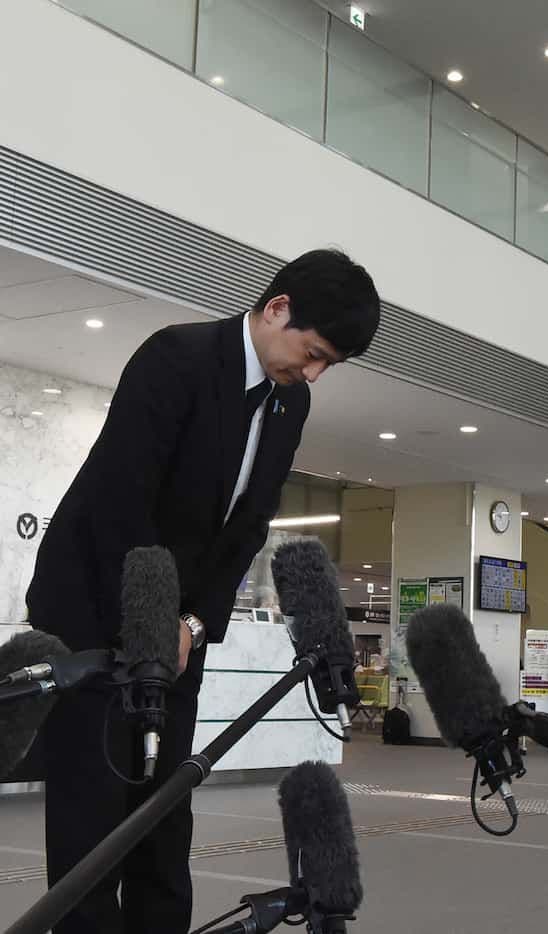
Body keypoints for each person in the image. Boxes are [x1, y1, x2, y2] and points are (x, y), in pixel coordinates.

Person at [27, 249, 380, 933]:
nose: (310, 374)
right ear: (277, 309)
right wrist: (153, 622)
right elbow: (121, 507)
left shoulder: (290, 401)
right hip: (93, 610)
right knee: (93, 813)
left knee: (165, 808)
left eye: (326, 365)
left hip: (177, 629)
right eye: (311, 353)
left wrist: (192, 621)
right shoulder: (175, 358)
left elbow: (249, 524)